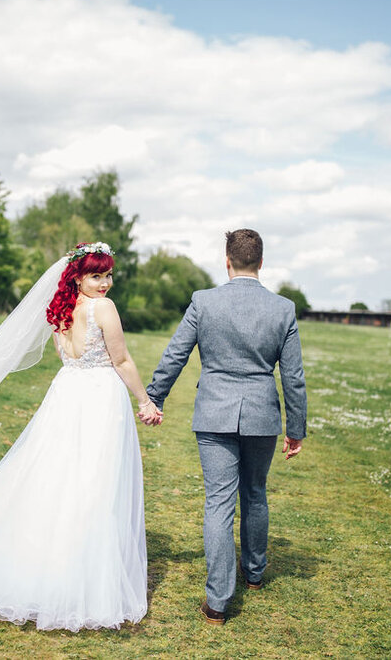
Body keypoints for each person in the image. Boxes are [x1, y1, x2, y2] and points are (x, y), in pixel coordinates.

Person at [0, 242, 162, 632]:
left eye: (108, 274)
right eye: (97, 275)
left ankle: (42, 558)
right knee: (94, 479)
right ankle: (81, 571)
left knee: (54, 472)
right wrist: (146, 401)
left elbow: (71, 354)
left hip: (67, 392)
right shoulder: (104, 309)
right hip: (98, 397)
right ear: (78, 276)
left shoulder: (62, 307)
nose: (105, 283)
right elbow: (120, 361)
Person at [145, 229, 307, 626]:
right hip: (262, 415)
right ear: (261, 263)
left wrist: (155, 396)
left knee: (219, 502)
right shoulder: (283, 308)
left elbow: (176, 354)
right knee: (255, 492)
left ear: (228, 261)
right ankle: (253, 574)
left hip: (214, 413)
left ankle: (217, 601)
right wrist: (296, 427)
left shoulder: (204, 301)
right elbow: (294, 377)